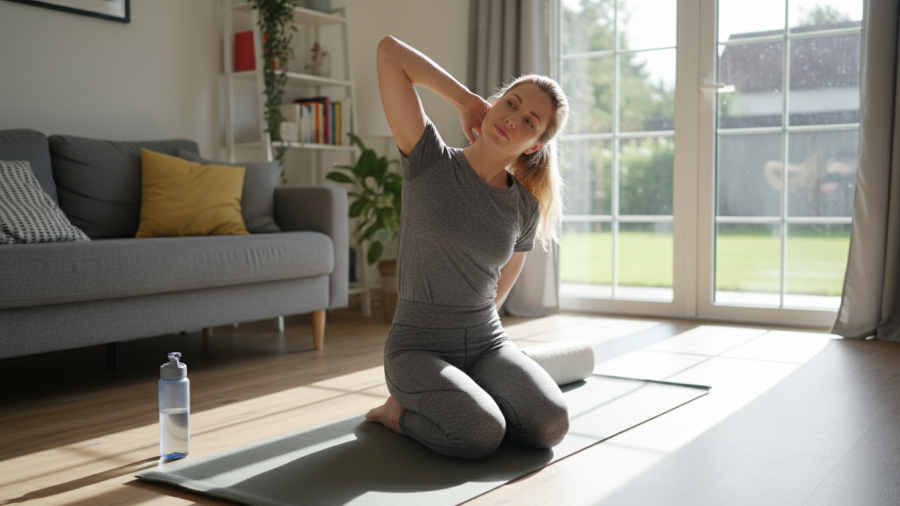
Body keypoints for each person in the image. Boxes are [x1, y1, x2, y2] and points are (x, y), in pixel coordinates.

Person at [364, 36, 570, 460]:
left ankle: (467, 395)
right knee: (479, 433)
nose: (514, 119)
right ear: (492, 102)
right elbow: (389, 53)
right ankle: (395, 413)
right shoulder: (428, 159)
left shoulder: (524, 208)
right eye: (511, 103)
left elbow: (497, 294)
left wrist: (490, 371)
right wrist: (463, 100)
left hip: (486, 345)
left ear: (534, 146)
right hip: (416, 347)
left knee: (550, 423)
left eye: (530, 121)